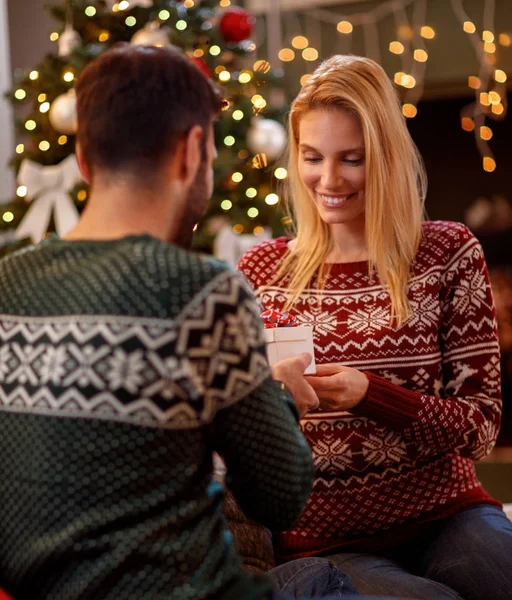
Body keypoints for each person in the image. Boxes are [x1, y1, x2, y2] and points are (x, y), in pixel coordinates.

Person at [0, 45, 404, 600]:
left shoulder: (9, 285)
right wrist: (279, 397)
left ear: (85, 159)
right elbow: (280, 498)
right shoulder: (201, 292)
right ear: (191, 152)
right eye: (212, 152)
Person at [238, 54, 512, 600]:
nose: (329, 179)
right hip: (324, 542)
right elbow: (238, 441)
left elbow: (482, 429)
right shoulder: (260, 273)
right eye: (312, 157)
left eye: (352, 159)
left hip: (447, 514)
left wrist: (372, 395)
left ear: (384, 157)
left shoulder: (447, 251)